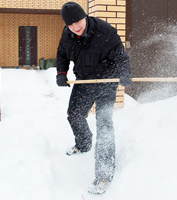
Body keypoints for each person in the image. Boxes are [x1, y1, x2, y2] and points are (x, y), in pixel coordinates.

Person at [56, 2, 131, 194]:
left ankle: (104, 175)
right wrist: (61, 73)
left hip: (107, 81)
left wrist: (124, 73)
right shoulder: (67, 34)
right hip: (84, 81)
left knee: (104, 123)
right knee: (74, 114)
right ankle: (83, 143)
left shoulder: (106, 32)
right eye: (71, 24)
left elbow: (121, 57)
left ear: (85, 16)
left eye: (78, 21)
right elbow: (62, 55)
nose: (76, 27)